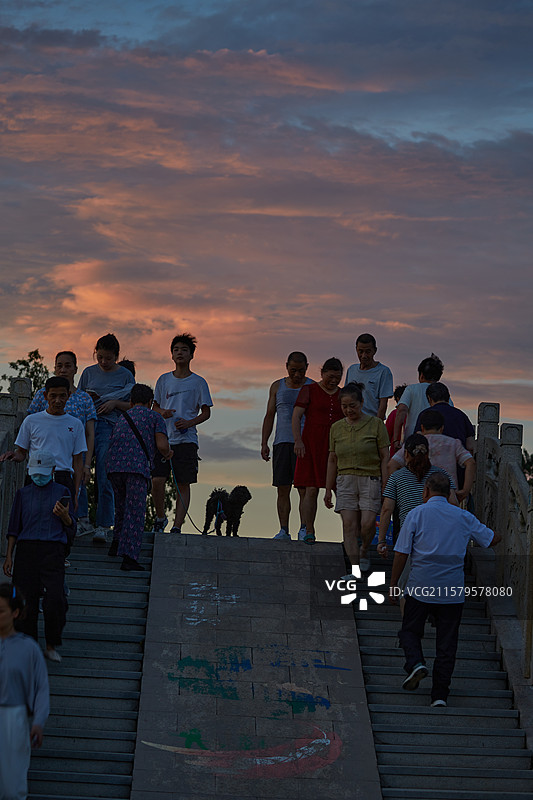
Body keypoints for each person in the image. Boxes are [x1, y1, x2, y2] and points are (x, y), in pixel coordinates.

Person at [389, 471, 500, 706]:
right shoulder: (463, 516)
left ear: (426, 491)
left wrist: (393, 585)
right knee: (447, 644)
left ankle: (416, 663)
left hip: (420, 587)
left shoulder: (416, 514)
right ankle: (439, 696)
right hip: (452, 592)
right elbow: (490, 540)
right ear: (450, 493)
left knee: (409, 631)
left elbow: (401, 553)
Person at [3, 450, 76, 663]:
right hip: (26, 550)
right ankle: (29, 646)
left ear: (52, 470)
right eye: (35, 472)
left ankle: (51, 644)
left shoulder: (62, 491)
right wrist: (9, 556)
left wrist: (65, 517)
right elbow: (14, 527)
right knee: (25, 601)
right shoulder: (23, 494)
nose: (39, 477)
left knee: (55, 599)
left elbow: (72, 527)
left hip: (52, 551)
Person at [27, 350, 97, 534]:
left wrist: (87, 464)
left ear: (75, 369)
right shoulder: (42, 394)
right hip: (43, 463)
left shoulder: (84, 398)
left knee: (71, 499)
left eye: (68, 366)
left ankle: (76, 527)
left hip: (75, 457)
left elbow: (90, 434)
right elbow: (31, 424)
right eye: (59, 366)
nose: (63, 370)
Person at [106, 384, 173, 570]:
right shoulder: (155, 417)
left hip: (114, 466)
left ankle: (115, 544)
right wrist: (168, 453)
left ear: (131, 401)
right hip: (136, 467)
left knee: (120, 507)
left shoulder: (122, 418)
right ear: (150, 402)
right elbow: (162, 445)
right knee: (135, 511)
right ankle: (129, 557)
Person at [324, 383, 390, 573]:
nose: (348, 410)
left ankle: (364, 549)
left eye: (352, 405)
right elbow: (332, 459)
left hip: (371, 478)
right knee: (349, 524)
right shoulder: (336, 428)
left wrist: (385, 483)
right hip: (345, 479)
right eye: (344, 406)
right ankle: (354, 568)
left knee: (367, 523)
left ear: (361, 403)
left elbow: (385, 456)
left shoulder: (376, 424)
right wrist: (328, 489)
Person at [151, 333, 213, 534]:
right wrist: (163, 412)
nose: (180, 353)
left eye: (184, 350)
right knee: (157, 480)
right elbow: (154, 407)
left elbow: (206, 412)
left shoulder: (198, 382)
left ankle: (177, 526)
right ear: (171, 354)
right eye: (176, 349)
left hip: (186, 440)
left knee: (183, 483)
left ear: (191, 355)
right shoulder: (163, 379)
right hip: (163, 438)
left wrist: (189, 422)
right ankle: (160, 518)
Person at [78, 333, 135, 543]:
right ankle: (82, 519)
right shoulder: (88, 373)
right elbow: (79, 398)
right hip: (86, 425)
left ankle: (103, 525)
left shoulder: (125, 376)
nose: (103, 362)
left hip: (110, 427)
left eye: (108, 358)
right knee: (78, 468)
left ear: (116, 356)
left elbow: (134, 405)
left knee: (104, 474)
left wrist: (114, 403)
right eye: (100, 357)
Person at [0, 376, 87, 501]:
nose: (58, 400)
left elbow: (78, 461)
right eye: (53, 396)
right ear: (45, 396)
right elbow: (22, 453)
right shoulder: (31, 421)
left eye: (62, 396)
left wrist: (76, 492)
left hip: (63, 477)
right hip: (36, 475)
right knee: (32, 512)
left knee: (62, 513)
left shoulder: (76, 424)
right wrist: (13, 455)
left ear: (68, 395)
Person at [0, 583, 49, 800]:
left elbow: (41, 688)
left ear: (15, 612)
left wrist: (38, 721)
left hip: (14, 718)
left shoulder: (28, 648)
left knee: (11, 787)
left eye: (1, 611)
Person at [261, 352, 314, 540]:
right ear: (286, 367)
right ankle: (284, 530)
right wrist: (264, 442)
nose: (297, 375)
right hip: (282, 442)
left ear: (307, 367)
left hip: (305, 444)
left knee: (304, 489)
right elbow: (270, 414)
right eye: (293, 370)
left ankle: (304, 528)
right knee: (282, 488)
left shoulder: (313, 387)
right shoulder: (277, 386)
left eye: (301, 370)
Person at [377, 433, 457, 556]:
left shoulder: (396, 477)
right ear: (427, 454)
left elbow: (386, 510)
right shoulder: (442, 475)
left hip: (408, 535)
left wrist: (381, 541)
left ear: (406, 454)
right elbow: (453, 504)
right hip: (438, 535)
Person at [292, 357, 344, 544]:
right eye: (330, 377)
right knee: (310, 488)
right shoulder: (309, 390)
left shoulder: (343, 394)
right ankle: (309, 530)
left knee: (341, 489)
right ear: (322, 373)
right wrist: (298, 440)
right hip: (311, 444)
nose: (333, 381)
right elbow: (296, 416)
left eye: (337, 377)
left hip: (336, 446)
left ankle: (350, 533)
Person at [388, 408, 475, 503]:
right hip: (447, 496)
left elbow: (392, 465)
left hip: (416, 497)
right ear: (442, 428)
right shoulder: (453, 443)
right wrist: (465, 490)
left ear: (422, 427)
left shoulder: (416, 443)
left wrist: (400, 489)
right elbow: (470, 463)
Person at [392, 353, 445, 451]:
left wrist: (396, 439)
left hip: (412, 442)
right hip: (437, 444)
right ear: (438, 377)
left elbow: (401, 410)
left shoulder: (411, 389)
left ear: (421, 375)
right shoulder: (443, 393)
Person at [345, 333, 393, 420]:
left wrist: (377, 425)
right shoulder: (351, 370)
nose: (364, 356)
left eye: (368, 352)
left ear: (375, 351)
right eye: (360, 351)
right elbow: (346, 396)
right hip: (351, 421)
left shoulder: (383, 372)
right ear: (356, 350)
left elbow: (383, 404)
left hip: (371, 421)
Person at [419, 382, 475, 453]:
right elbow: (470, 445)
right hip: (456, 458)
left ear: (429, 399)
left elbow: (418, 439)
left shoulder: (424, 415)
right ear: (448, 398)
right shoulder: (461, 415)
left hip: (431, 457)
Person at [385, 384, 407, 457]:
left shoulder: (394, 413)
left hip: (395, 454)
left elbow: (387, 436)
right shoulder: (415, 413)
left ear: (398, 399)